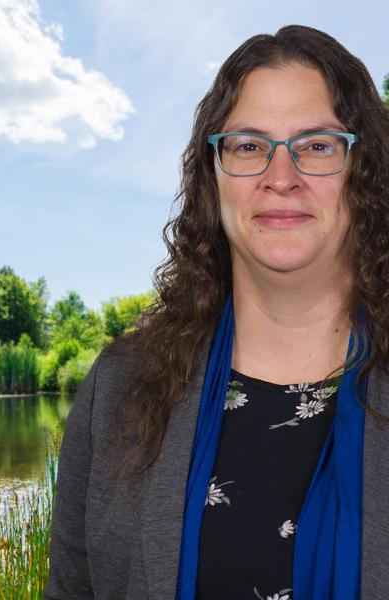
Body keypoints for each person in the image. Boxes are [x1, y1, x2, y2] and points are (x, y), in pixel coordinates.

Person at [44, 24, 389, 600]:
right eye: (249, 146)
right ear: (213, 178)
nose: (282, 178)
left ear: (365, 173)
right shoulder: (121, 390)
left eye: (317, 145)